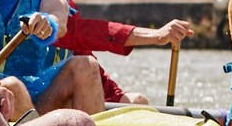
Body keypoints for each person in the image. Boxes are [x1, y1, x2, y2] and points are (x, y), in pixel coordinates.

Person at [60, 14, 196, 105]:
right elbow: (79, 33)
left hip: (72, 105)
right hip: (49, 103)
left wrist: (117, 97)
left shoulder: (67, 6)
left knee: (137, 102)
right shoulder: (49, 10)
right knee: (86, 65)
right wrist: (155, 35)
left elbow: (82, 50)